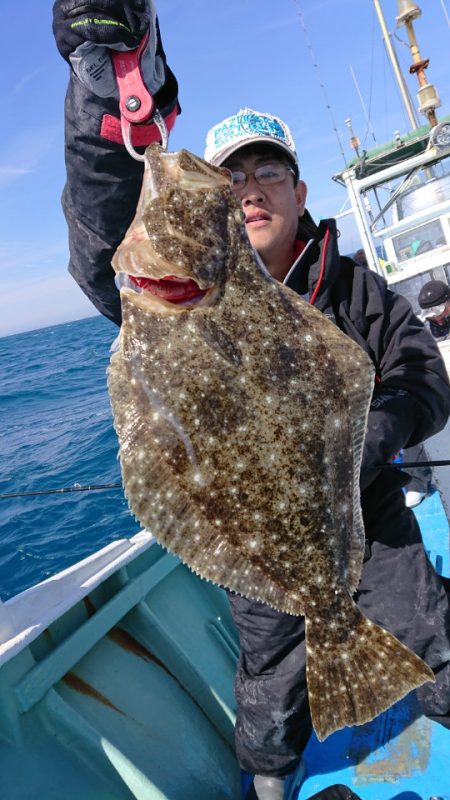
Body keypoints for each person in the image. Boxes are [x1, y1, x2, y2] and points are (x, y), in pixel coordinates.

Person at [52, 5, 450, 800]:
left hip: (370, 513)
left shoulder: (358, 290)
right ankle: (269, 778)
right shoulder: (170, 296)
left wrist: (374, 436)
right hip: (253, 533)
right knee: (268, 686)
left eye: (267, 172)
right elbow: (102, 230)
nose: (248, 189)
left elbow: (423, 380)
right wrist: (103, 90)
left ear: (299, 191)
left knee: (433, 635)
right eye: (231, 179)